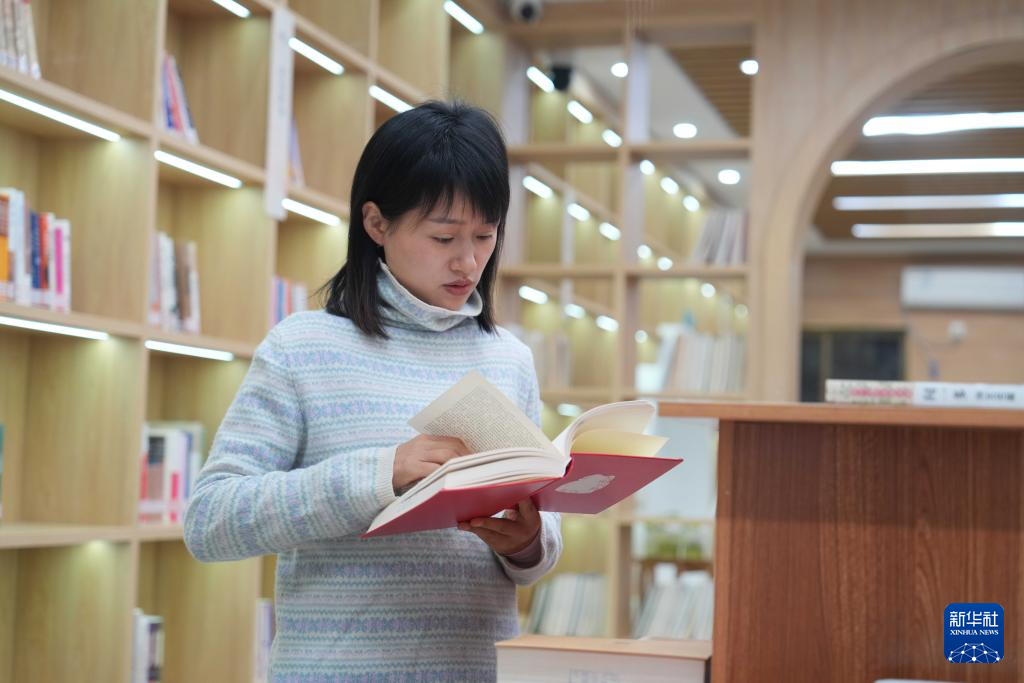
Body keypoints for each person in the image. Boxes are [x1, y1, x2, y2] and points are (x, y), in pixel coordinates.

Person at [183, 100, 563, 681]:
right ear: (377, 224)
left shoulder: (508, 358)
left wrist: (528, 542)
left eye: (486, 236)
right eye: (444, 237)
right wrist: (381, 474)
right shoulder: (303, 348)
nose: (468, 261)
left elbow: (535, 556)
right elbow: (211, 522)